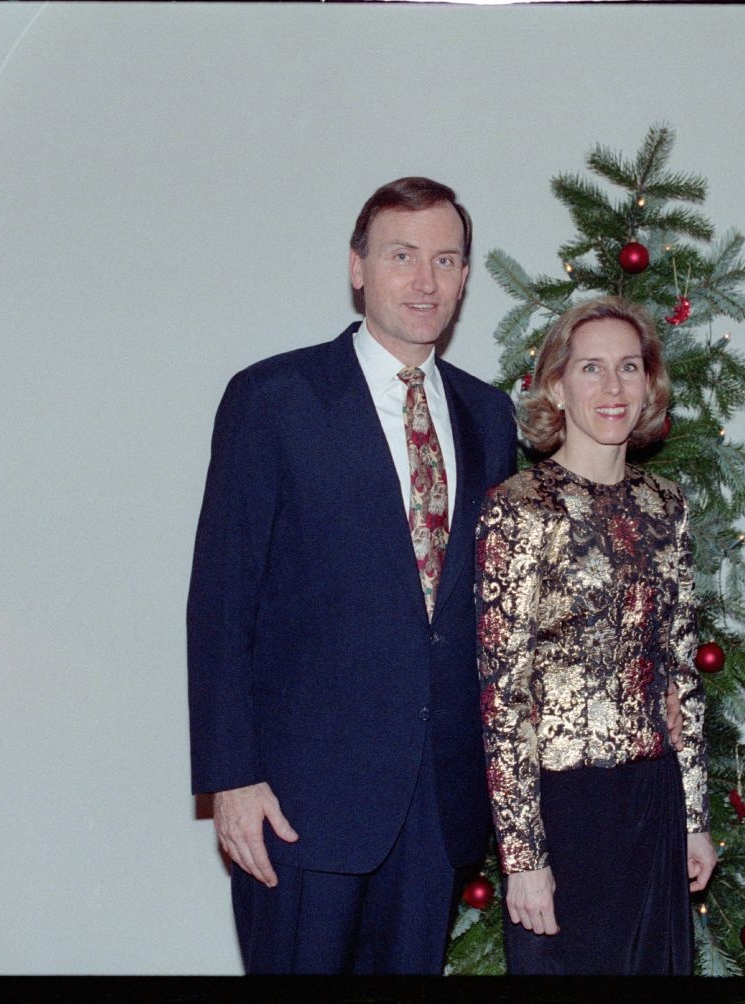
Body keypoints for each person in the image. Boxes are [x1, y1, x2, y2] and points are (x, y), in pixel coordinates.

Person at [186, 177, 518, 974]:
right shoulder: (273, 399)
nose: (426, 281)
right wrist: (232, 779)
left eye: (446, 259)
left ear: (466, 277)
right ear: (358, 268)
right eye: (402, 256)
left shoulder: (488, 415)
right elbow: (221, 602)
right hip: (300, 805)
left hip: (438, 803)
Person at [475, 296, 717, 975]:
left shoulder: (665, 503)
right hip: (564, 808)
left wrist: (694, 817)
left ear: (649, 383)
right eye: (591, 368)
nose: (613, 389)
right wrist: (522, 859)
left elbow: (681, 668)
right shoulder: (517, 509)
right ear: (557, 384)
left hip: (654, 797)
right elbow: (502, 695)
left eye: (629, 367)